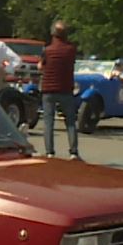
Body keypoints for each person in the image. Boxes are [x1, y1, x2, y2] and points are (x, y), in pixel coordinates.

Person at [39, 20, 80, 160]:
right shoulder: (71, 50)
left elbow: (41, 66)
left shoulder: (47, 50)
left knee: (48, 121)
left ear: (53, 33)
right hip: (65, 88)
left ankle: (50, 152)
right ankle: (73, 152)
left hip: (48, 89)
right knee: (70, 121)